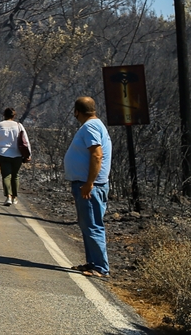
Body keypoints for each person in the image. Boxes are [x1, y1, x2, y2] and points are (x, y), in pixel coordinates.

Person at [64, 96, 112, 278]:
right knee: (88, 224)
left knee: (93, 225)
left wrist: (89, 183)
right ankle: (92, 263)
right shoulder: (96, 125)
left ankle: (100, 267)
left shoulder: (90, 127)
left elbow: (96, 155)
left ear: (77, 111)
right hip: (90, 183)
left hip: (91, 185)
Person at [0, 107, 30, 206]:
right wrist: (29, 154)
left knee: (6, 175)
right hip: (17, 154)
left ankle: (8, 196)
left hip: (3, 153)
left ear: (4, 115)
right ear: (14, 116)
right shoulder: (18, 125)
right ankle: (15, 197)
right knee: (15, 175)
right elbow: (26, 141)